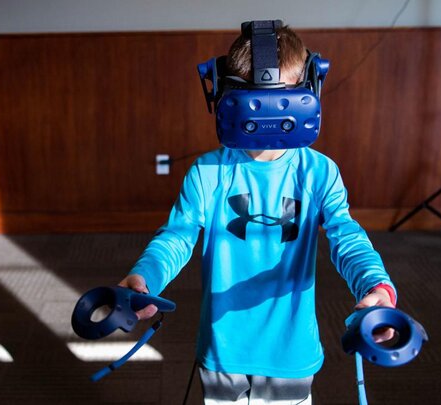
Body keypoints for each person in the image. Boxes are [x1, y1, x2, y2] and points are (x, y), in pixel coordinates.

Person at [119, 24, 397, 405]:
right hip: (223, 350)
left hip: (290, 352)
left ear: (308, 92)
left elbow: (347, 237)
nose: (270, 120)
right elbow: (177, 236)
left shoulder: (318, 172)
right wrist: (145, 275)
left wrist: (376, 285)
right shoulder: (208, 172)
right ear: (228, 95)